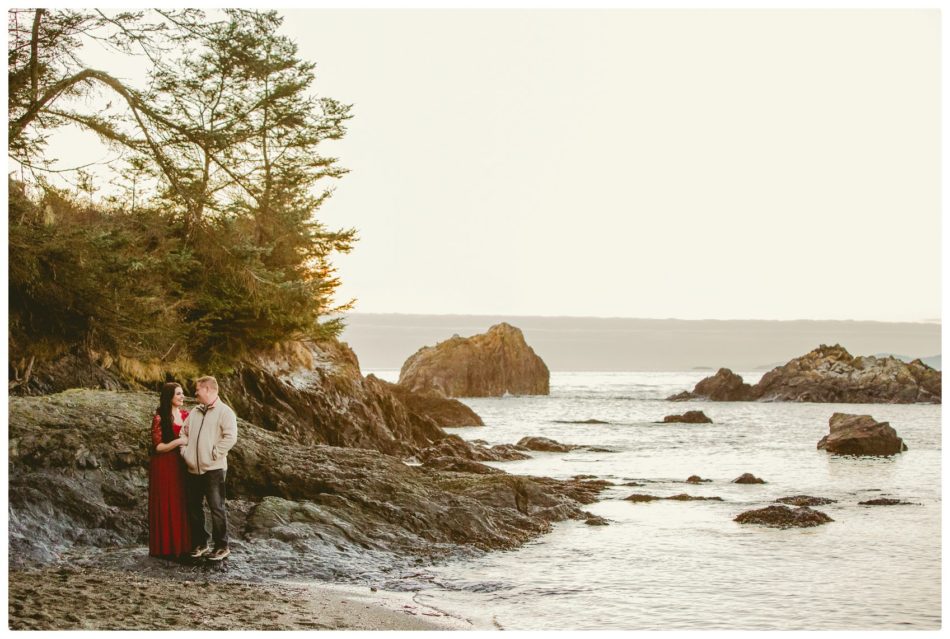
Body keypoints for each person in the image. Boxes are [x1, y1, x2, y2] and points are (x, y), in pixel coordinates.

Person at [180, 375, 238, 561]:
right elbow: (183, 432)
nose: (195, 392)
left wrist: (214, 454)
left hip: (214, 469)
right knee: (194, 507)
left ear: (208, 389)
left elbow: (230, 437)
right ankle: (201, 543)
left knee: (216, 508)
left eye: (198, 389)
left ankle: (222, 546)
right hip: (192, 468)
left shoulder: (225, 412)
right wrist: (185, 453)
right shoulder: (194, 412)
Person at [148, 382, 192, 558]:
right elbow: (157, 447)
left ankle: (182, 545)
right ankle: (165, 547)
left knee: (180, 501)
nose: (182, 397)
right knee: (166, 502)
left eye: (182, 394)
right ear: (170, 397)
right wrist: (178, 442)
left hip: (181, 463)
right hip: (164, 464)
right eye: (178, 394)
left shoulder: (186, 415)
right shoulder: (160, 417)